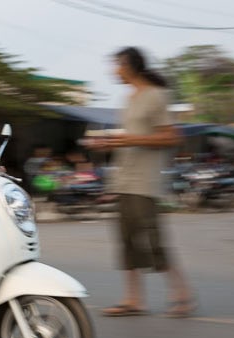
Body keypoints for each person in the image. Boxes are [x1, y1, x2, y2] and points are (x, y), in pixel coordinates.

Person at [83, 47, 196, 318]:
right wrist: (107, 144)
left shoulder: (156, 96)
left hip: (144, 184)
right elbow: (130, 138)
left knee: (153, 241)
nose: (114, 71)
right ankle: (133, 300)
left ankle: (183, 295)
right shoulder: (129, 99)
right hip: (123, 181)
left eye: (117, 65)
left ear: (129, 65)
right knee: (127, 243)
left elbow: (172, 137)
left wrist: (130, 140)